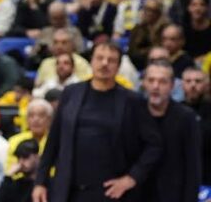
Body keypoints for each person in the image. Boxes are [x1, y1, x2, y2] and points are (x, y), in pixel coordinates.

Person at [32, 43, 162, 202]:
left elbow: (154, 145)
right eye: (100, 58)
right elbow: (54, 140)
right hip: (70, 190)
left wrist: (132, 178)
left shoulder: (132, 101)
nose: (104, 63)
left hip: (111, 192)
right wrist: (40, 182)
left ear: (118, 66)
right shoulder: (71, 93)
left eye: (111, 60)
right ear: (91, 61)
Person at [139, 59, 200, 202]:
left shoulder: (186, 117)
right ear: (144, 83)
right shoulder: (134, 113)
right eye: (151, 80)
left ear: (172, 85)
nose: (155, 86)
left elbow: (193, 166)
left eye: (162, 82)